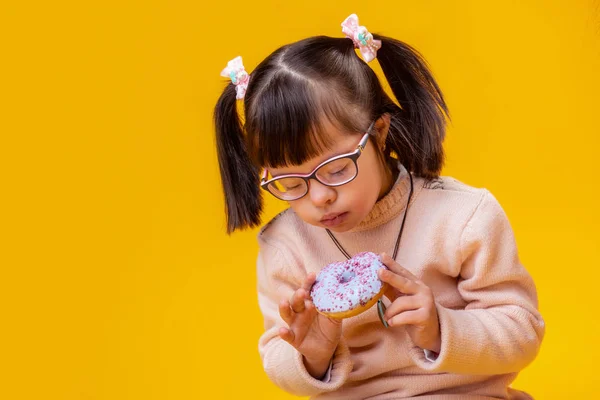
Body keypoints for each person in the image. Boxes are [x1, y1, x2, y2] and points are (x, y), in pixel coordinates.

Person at [213, 13, 545, 400]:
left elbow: (522, 333)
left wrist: (441, 328)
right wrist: (312, 355)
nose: (319, 197)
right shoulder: (285, 244)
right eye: (290, 184)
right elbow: (276, 355)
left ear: (380, 132)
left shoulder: (463, 217)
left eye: (336, 169)